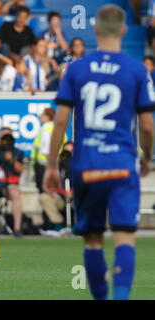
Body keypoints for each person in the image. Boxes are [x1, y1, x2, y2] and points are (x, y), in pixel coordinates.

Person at [43, 5, 154, 300]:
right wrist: (146, 156)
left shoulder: (77, 69)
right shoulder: (136, 70)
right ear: (125, 30)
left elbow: (61, 121)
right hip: (121, 165)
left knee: (92, 241)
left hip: (86, 165)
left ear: (94, 30)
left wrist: (52, 165)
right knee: (124, 238)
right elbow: (147, 126)